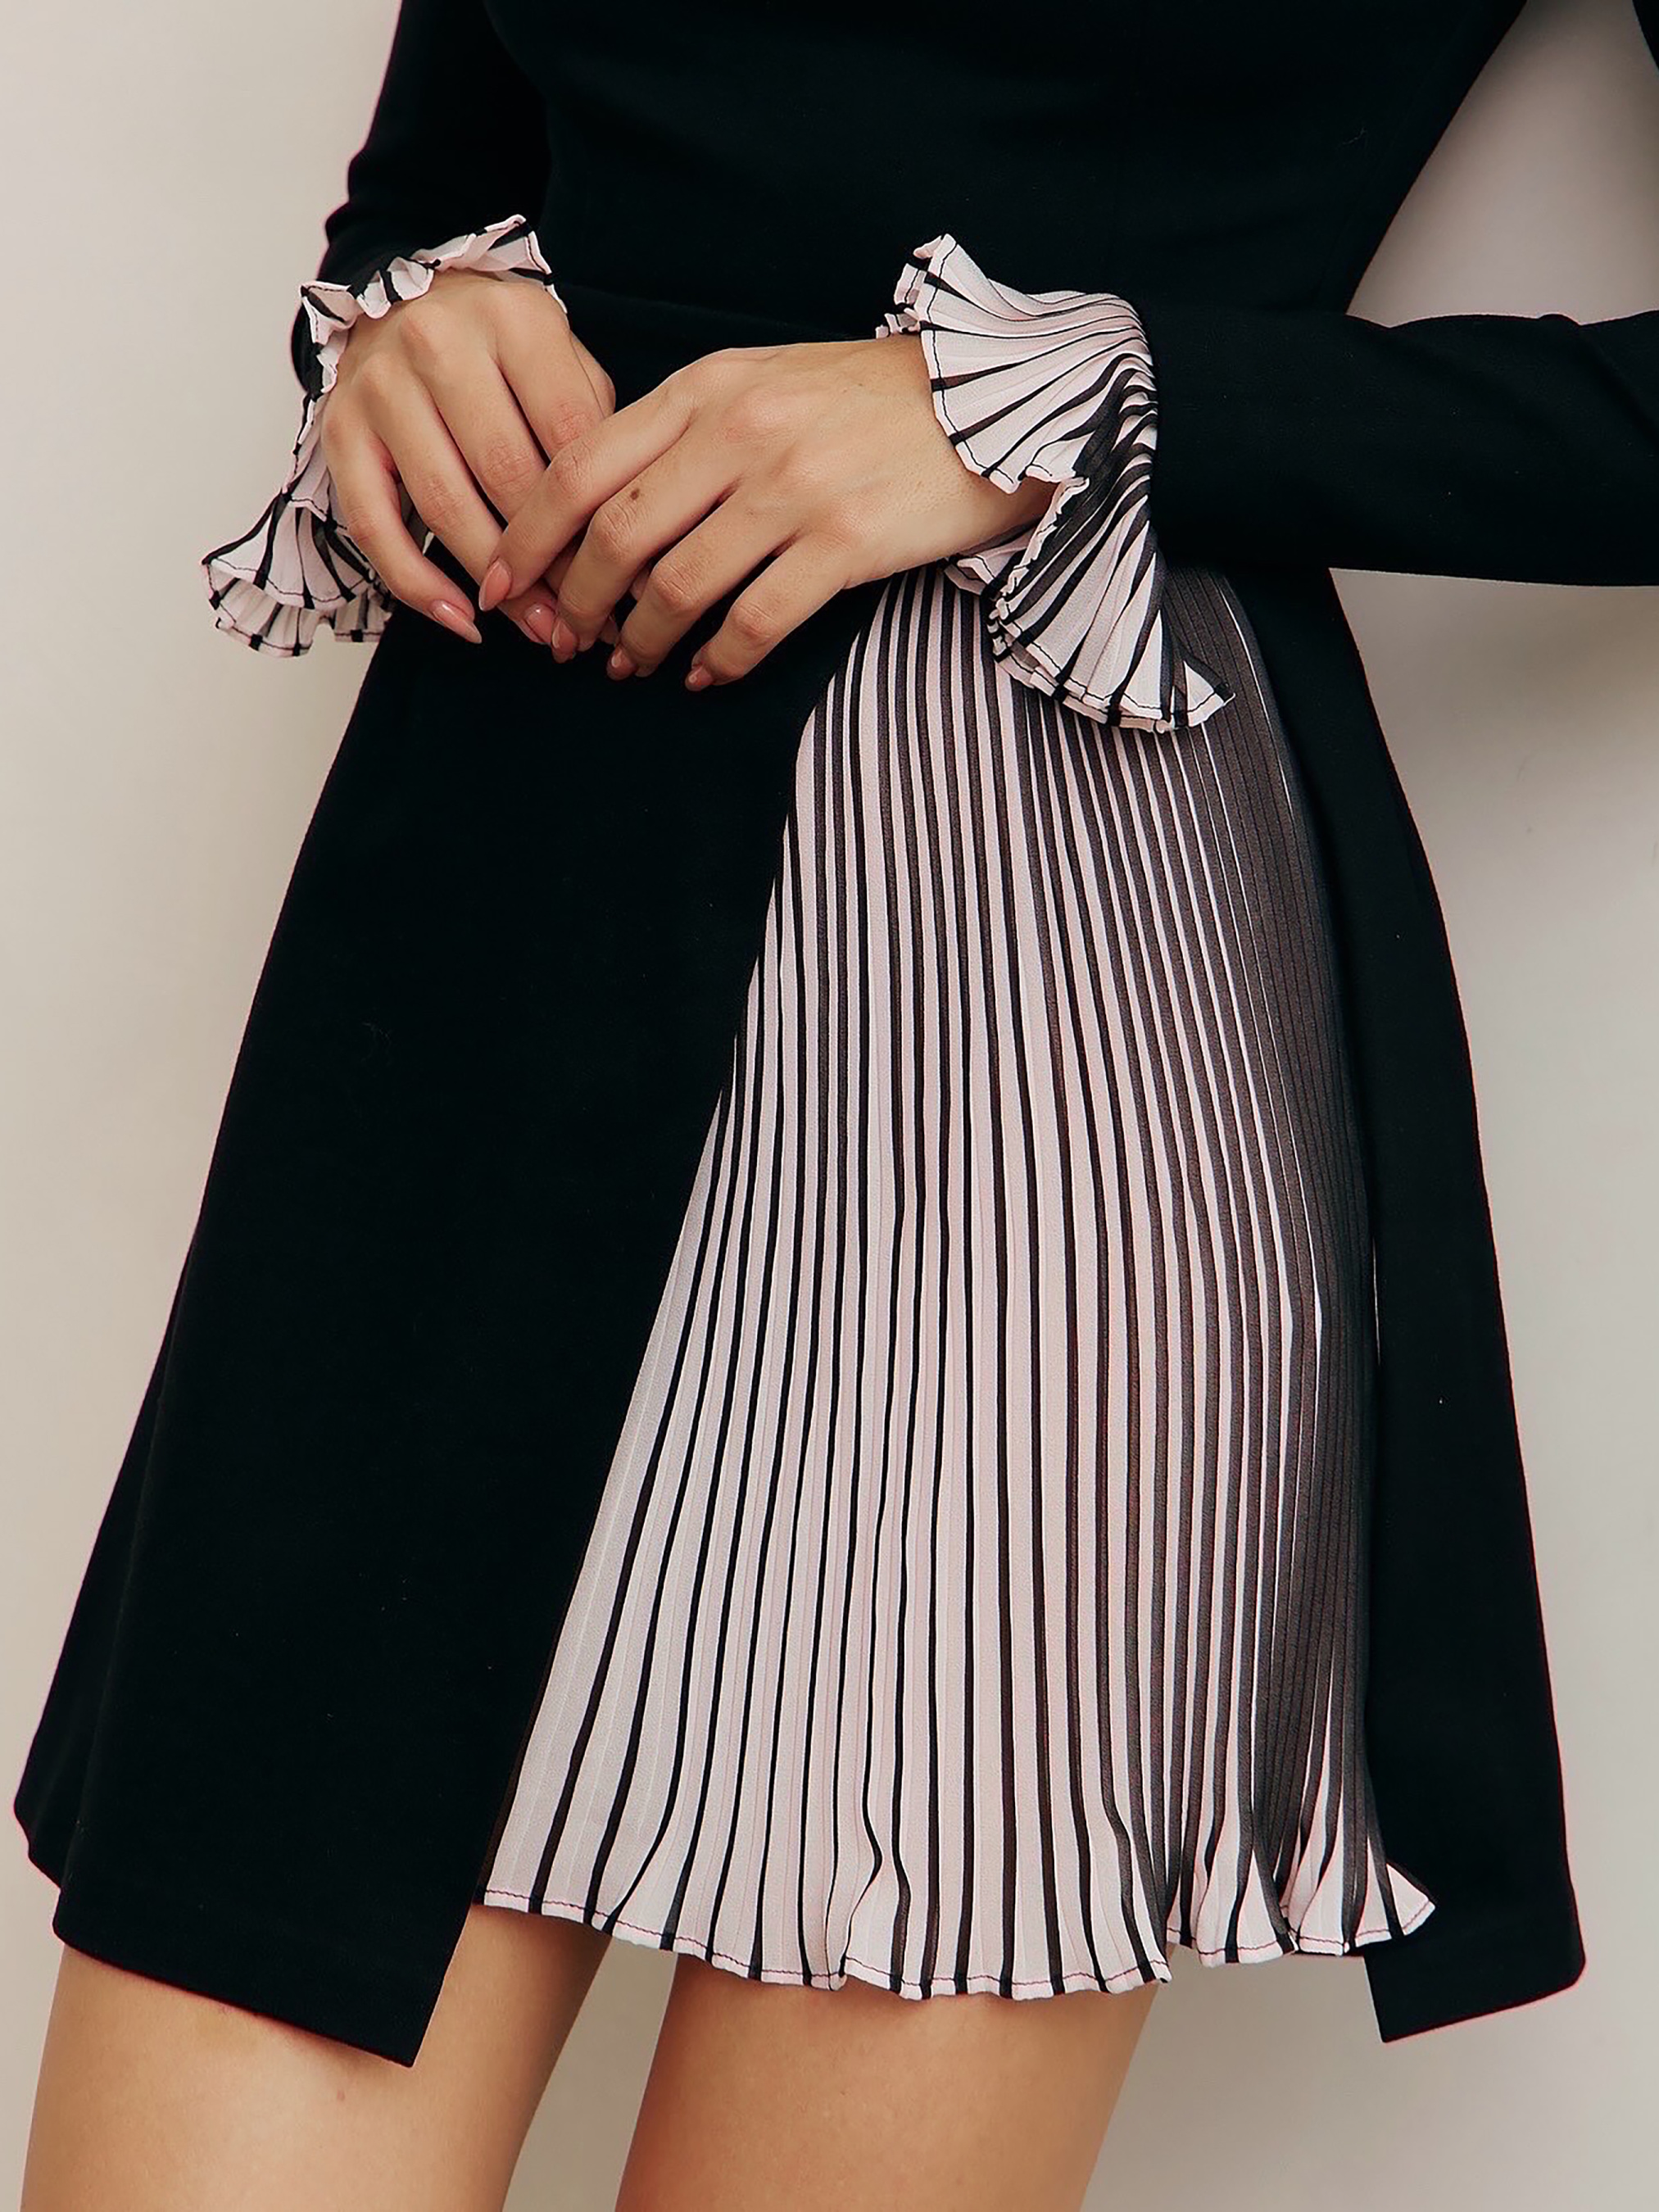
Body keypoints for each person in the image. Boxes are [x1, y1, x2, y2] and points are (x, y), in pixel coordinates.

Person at [20, 0, 1652, 2204]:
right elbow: (437, 184)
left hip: (1065, 1046)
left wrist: (1088, 402)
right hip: (484, 967)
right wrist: (410, 328)